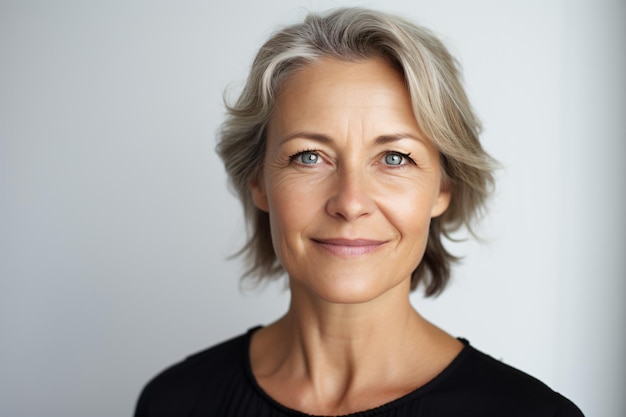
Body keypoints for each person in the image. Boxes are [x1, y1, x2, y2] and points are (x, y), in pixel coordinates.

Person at [134, 7, 584, 416]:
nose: (350, 202)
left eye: (394, 158)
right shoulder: (175, 401)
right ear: (258, 182)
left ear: (442, 188)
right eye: (309, 156)